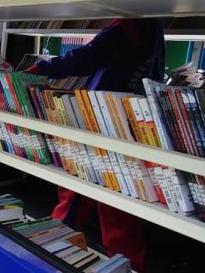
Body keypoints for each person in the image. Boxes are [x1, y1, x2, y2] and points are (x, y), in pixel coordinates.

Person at [26, 18, 166, 272]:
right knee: (123, 201)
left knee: (76, 193)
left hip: (103, 119)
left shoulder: (130, 21)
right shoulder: (155, 25)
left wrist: (42, 69)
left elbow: (89, 56)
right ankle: (128, 265)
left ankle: (53, 252)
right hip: (133, 120)